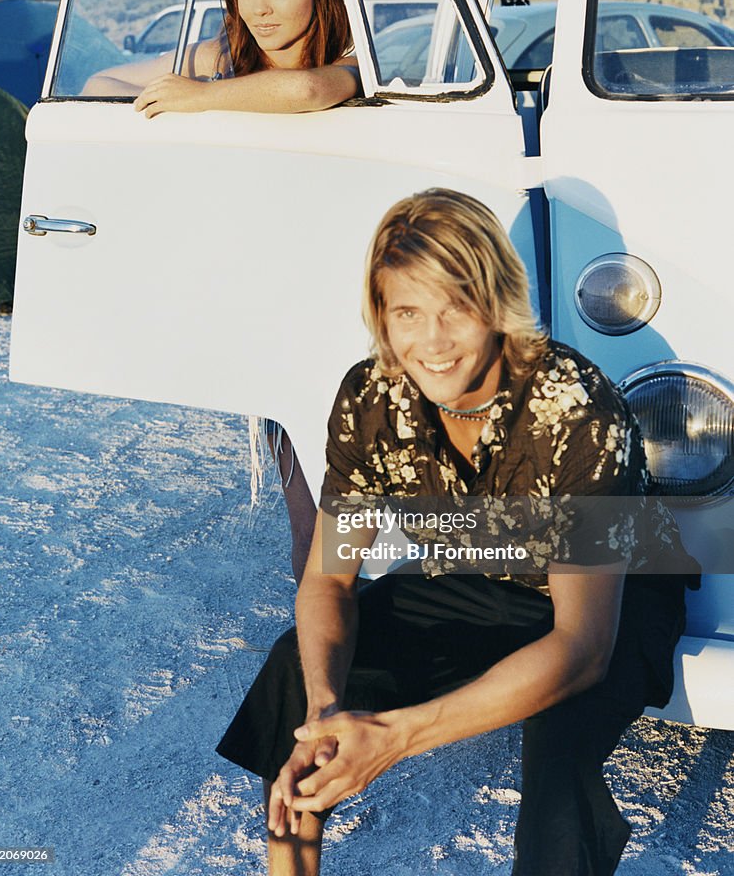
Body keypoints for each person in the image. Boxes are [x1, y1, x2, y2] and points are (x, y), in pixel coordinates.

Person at [216, 188, 699, 876]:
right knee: (300, 666)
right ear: (380, 316)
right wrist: (326, 711)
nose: (432, 342)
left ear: (498, 304)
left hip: (611, 596)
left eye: (457, 309)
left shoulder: (576, 407)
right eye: (407, 312)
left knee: (558, 754)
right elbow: (328, 577)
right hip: (474, 568)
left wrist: (394, 734)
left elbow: (581, 647)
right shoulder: (370, 397)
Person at [85, 0, 359, 579]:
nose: (261, 8)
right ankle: (323, 667)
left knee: (374, 514)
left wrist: (203, 100)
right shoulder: (220, 56)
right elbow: (97, 89)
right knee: (311, 519)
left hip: (355, 308)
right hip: (272, 310)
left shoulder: (354, 56)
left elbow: (306, 90)